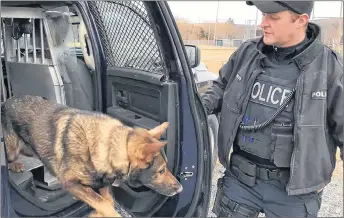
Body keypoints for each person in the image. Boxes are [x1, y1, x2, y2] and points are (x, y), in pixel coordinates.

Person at [201, 1, 343, 217]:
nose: (262, 23)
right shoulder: (248, 53)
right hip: (240, 181)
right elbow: (220, 87)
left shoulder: (329, 68)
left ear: (301, 21)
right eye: (263, 15)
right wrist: (197, 110)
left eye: (273, 17)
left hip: (293, 194)